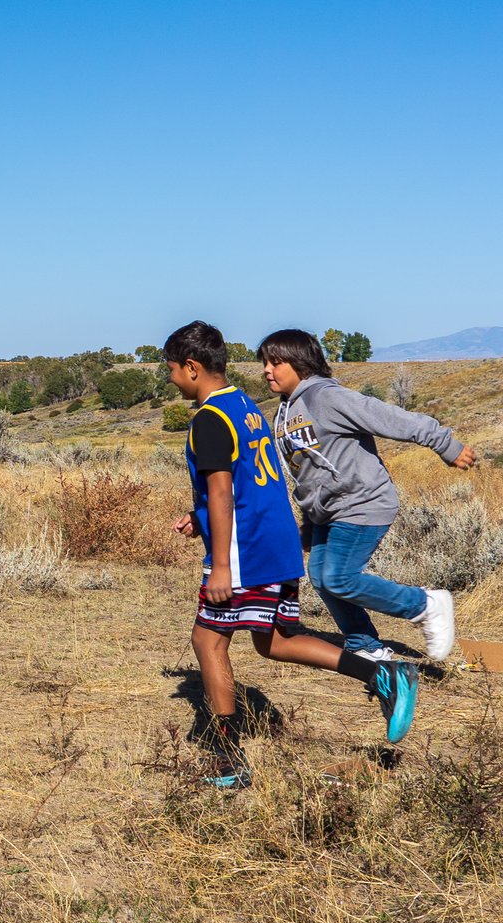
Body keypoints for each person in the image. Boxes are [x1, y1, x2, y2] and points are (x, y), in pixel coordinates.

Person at [165, 320, 418, 790]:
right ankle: (382, 675)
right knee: (276, 641)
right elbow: (248, 482)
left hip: (245, 552)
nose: (172, 379)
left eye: (173, 370)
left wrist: (220, 565)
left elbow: (222, 494)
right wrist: (196, 516)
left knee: (208, 642)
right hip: (276, 541)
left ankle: (228, 759)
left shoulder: (208, 419)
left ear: (193, 368)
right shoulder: (247, 407)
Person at [260, 328, 474, 666]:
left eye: (276, 362)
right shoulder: (285, 410)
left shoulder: (327, 397)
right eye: (265, 363)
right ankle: (365, 645)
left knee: (340, 578)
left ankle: (426, 605)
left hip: (362, 501)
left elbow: (391, 418)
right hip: (327, 512)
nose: (267, 370)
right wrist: (308, 519)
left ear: (300, 363)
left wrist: (445, 444)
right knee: (321, 577)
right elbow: (307, 469)